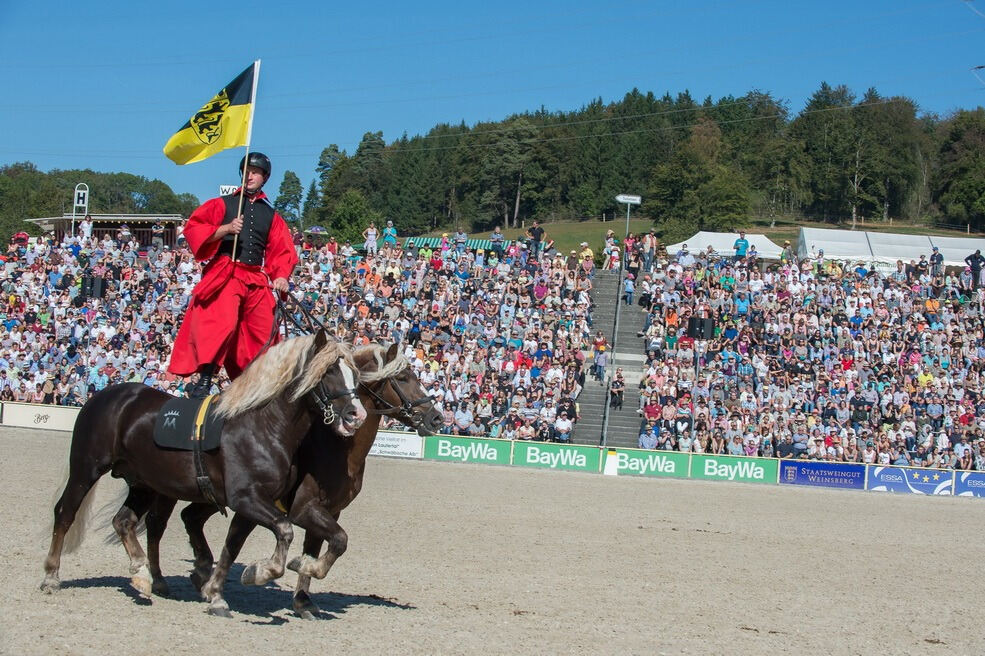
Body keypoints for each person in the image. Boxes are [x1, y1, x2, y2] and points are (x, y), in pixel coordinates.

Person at [168, 152, 298, 396]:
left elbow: (281, 250)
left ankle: (260, 385)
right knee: (221, 323)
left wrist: (281, 276)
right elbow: (194, 228)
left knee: (264, 330)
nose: (250, 175)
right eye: (247, 170)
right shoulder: (222, 204)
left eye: (256, 172)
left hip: (255, 276)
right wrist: (225, 229)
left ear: (264, 177)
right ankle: (205, 380)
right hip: (227, 271)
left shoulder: (272, 216)